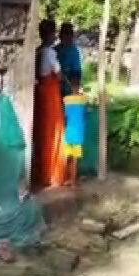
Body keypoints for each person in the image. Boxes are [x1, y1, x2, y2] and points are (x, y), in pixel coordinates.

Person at [35, 19, 65, 188]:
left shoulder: (38, 51)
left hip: (41, 94)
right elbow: (59, 75)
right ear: (49, 34)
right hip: (51, 95)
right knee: (53, 132)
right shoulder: (50, 53)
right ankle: (52, 174)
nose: (55, 36)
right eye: (54, 33)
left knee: (42, 132)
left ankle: (41, 172)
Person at [56, 23, 83, 187]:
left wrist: (72, 89)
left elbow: (76, 73)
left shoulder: (73, 52)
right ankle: (64, 176)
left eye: (68, 35)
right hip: (57, 94)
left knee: (69, 147)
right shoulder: (57, 50)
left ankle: (69, 177)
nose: (66, 38)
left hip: (66, 95)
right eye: (63, 35)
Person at [55, 22, 82, 97]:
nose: (67, 36)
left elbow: (76, 73)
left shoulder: (75, 51)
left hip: (68, 88)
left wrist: (75, 90)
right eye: (65, 33)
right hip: (56, 87)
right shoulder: (55, 50)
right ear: (60, 35)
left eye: (69, 33)